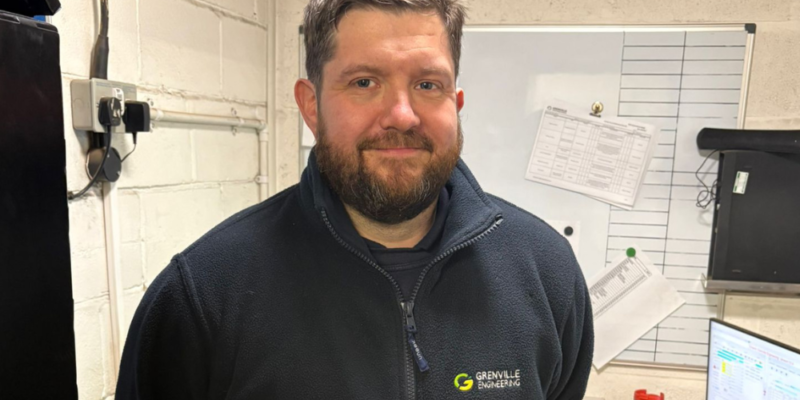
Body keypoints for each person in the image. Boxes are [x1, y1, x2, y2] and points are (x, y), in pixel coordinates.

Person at [116, 0, 594, 398]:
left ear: (456, 103)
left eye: (428, 85)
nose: (402, 115)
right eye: (365, 82)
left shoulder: (547, 272)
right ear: (311, 106)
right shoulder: (201, 297)